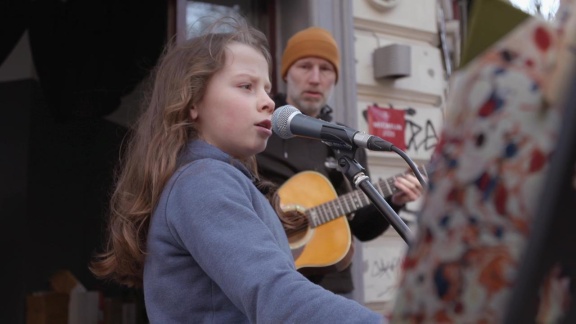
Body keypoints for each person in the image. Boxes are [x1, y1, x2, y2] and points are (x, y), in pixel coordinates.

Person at [90, 18, 385, 323]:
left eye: (268, 90)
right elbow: (275, 294)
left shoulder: (215, 178)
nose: (268, 102)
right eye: (247, 86)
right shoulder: (204, 182)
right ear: (193, 101)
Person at [256, 27, 423, 295]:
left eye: (325, 69)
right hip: (269, 280)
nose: (315, 78)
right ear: (286, 73)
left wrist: (395, 200)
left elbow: (361, 228)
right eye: (305, 66)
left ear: (335, 78)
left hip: (334, 286)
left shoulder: (344, 141)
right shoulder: (260, 129)